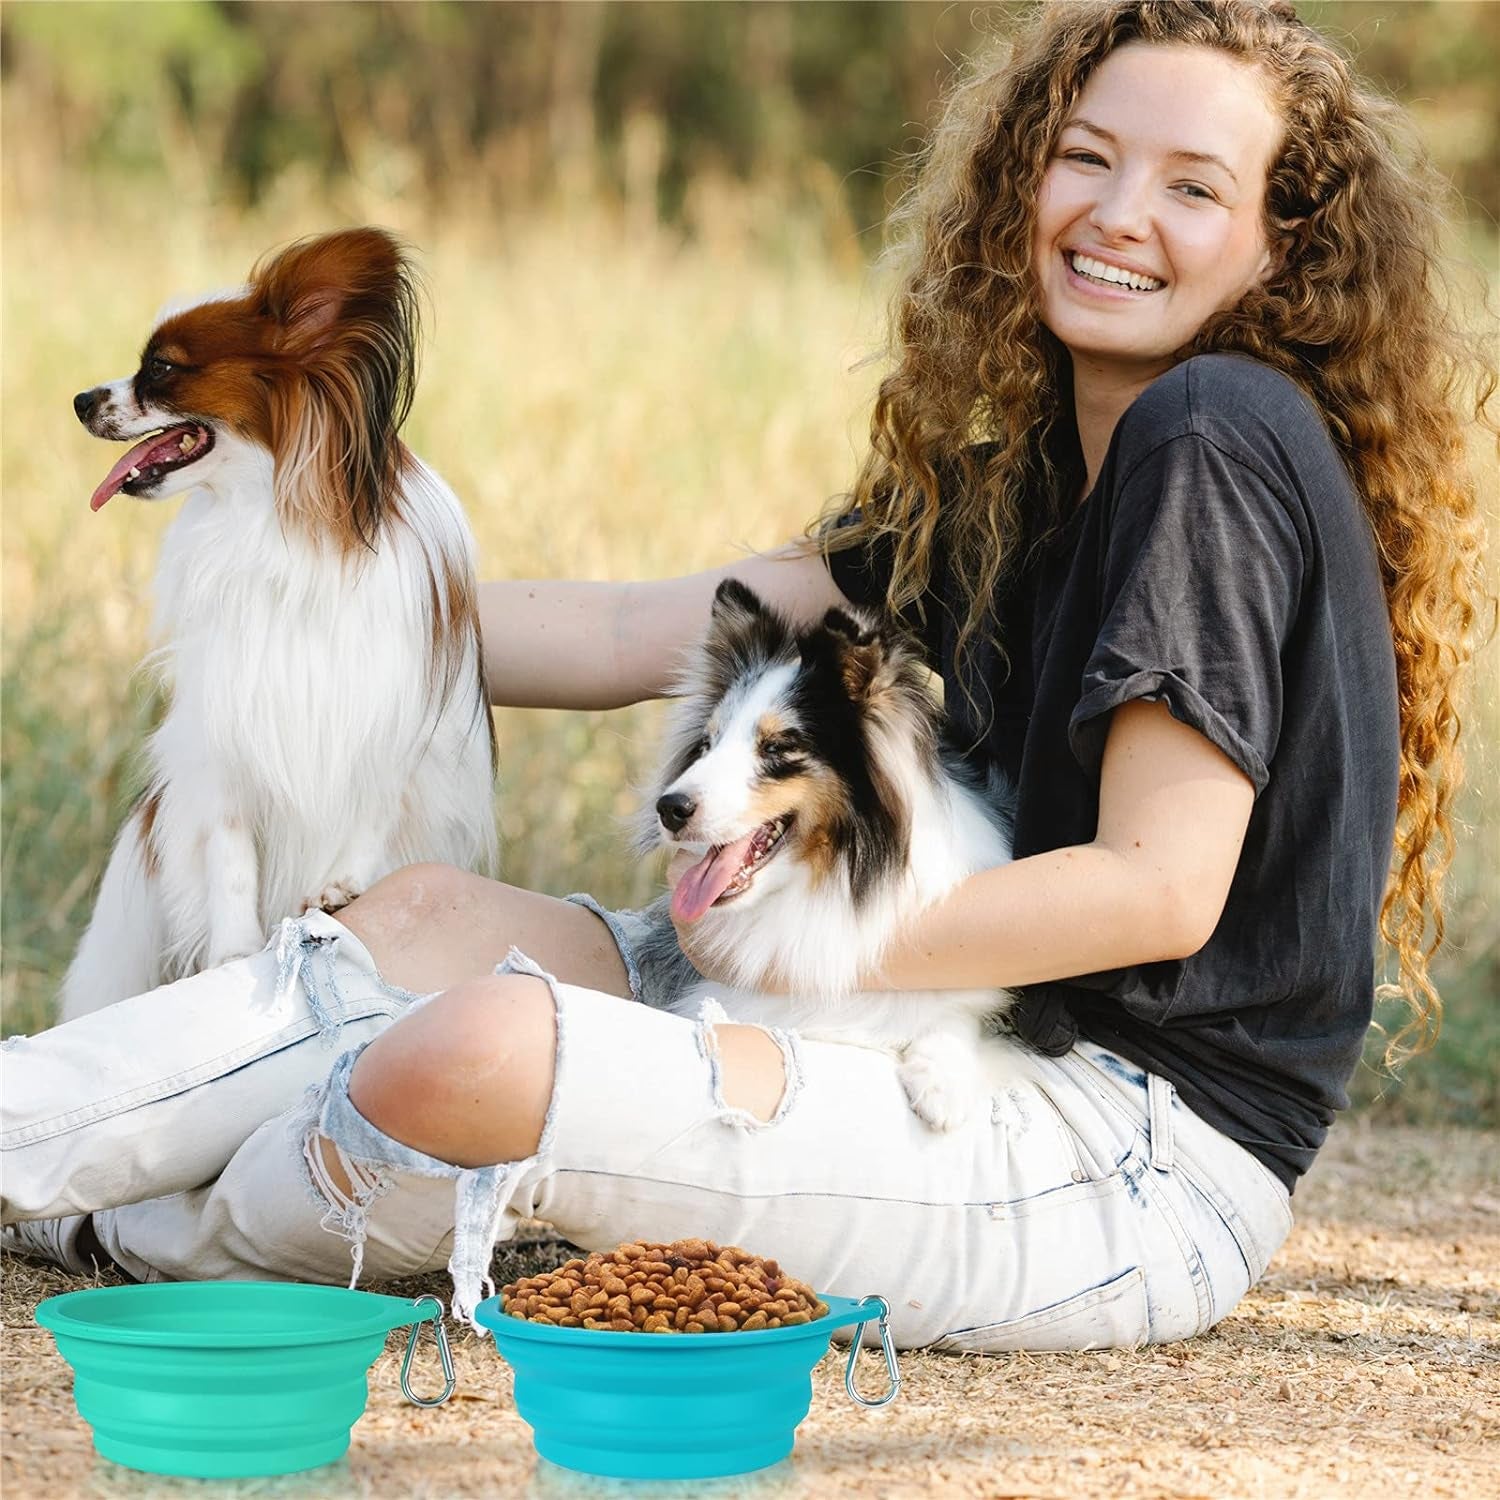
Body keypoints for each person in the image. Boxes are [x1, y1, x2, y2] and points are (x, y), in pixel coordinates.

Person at [3, 0, 1491, 1352]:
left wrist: (774, 947)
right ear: (1024, 177)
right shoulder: (1021, 487)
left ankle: (113, 1223)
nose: (1116, 214)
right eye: (1087, 157)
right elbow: (616, 632)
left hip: (1115, 1150)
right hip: (889, 1012)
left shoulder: (1211, 438)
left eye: (1192, 186)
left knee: (475, 1050)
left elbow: (1156, 890)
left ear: (1282, 244)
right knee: (419, 923)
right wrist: (303, 575)